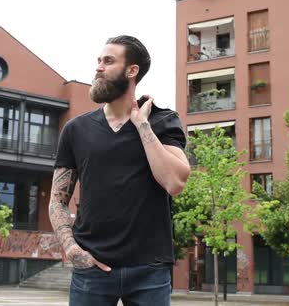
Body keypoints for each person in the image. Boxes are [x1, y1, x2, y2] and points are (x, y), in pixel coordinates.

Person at [49, 35, 190, 305]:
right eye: (98, 61)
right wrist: (71, 248)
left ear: (132, 70)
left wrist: (142, 125)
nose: (98, 68)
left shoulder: (163, 121)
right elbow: (57, 199)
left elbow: (175, 183)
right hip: (92, 269)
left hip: (149, 270)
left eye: (108, 61)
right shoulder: (75, 130)